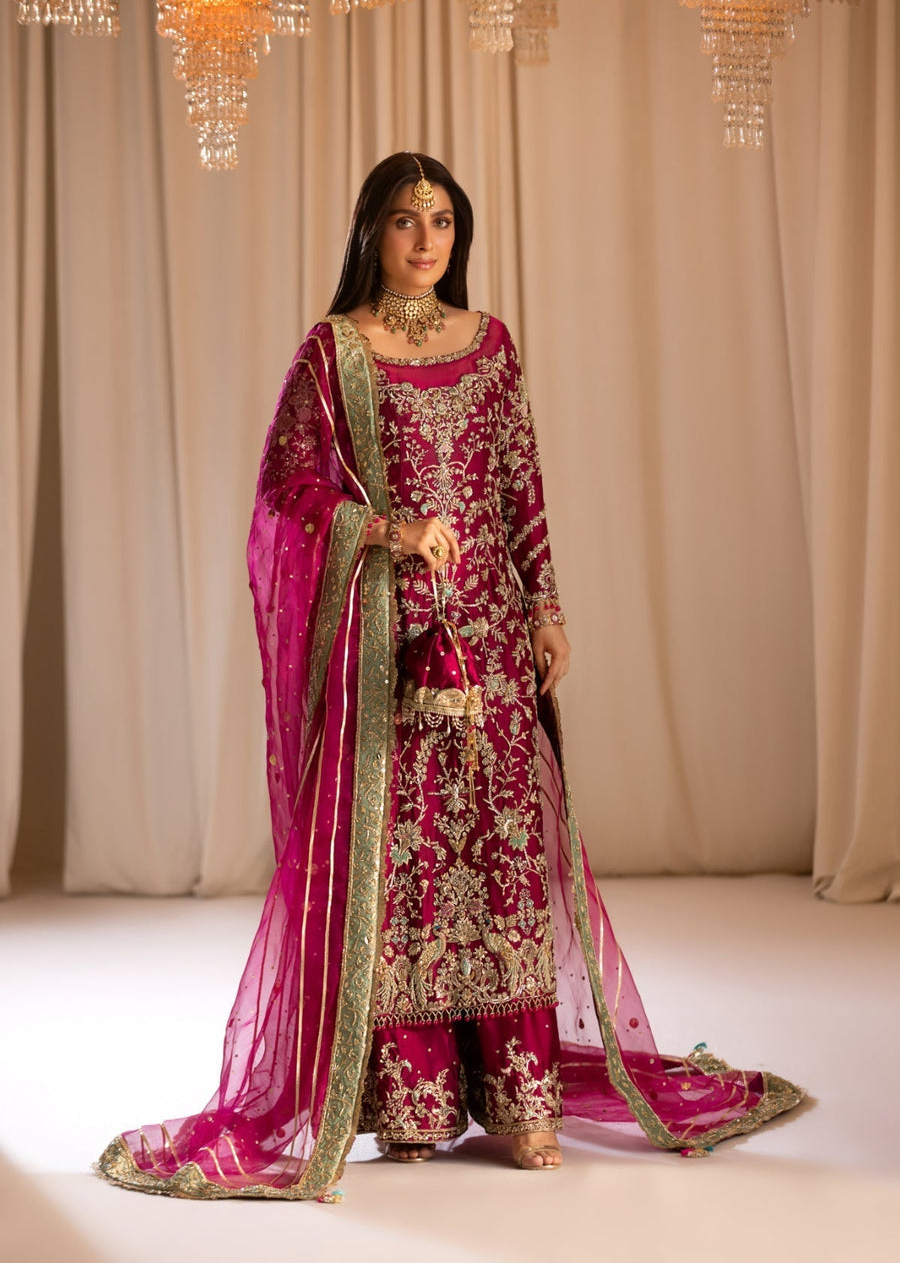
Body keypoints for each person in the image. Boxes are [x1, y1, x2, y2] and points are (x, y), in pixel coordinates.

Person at [96, 153, 803, 1201]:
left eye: (441, 220)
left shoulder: (492, 346)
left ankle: (520, 1099)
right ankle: (412, 1102)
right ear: (369, 234)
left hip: (491, 648)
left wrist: (548, 608)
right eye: (402, 220)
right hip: (386, 647)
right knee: (408, 868)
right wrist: (383, 529)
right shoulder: (334, 354)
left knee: (503, 853)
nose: (426, 240)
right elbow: (283, 497)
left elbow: (522, 480)